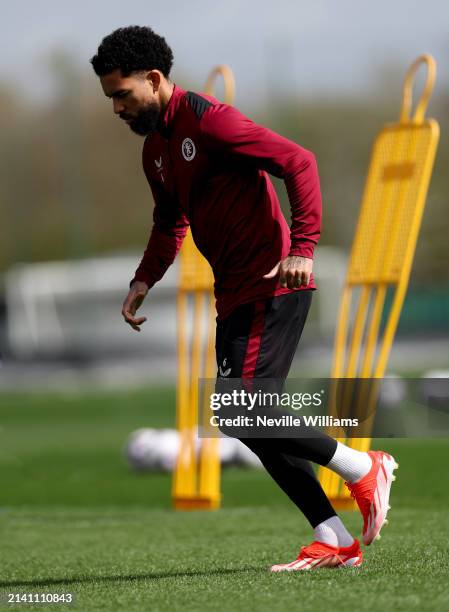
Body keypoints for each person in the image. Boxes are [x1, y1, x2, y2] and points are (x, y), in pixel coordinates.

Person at [91, 25, 398, 571]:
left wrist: (304, 246)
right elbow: (169, 222)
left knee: (240, 407)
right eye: (110, 97)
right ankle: (332, 535)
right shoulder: (156, 151)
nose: (116, 108)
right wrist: (143, 280)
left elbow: (299, 161)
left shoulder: (210, 120)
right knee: (242, 417)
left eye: (122, 94)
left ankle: (360, 467)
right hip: (232, 292)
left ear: (155, 79)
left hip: (272, 279)